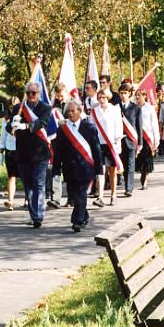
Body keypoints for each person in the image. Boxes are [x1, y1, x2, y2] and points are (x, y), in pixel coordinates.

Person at [53, 100, 102, 232]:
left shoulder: (89, 128)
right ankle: (84, 216)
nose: (70, 114)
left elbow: (96, 150)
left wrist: (99, 170)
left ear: (79, 112)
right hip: (69, 169)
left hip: (85, 168)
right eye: (68, 111)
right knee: (74, 196)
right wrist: (56, 170)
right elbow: (58, 152)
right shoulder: (62, 130)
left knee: (81, 193)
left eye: (73, 111)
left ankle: (77, 221)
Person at [8, 81, 52, 228]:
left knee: (38, 184)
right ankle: (34, 214)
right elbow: (9, 127)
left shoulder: (45, 108)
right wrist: (13, 124)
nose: (31, 95)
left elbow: (42, 122)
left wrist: (26, 126)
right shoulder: (18, 108)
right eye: (28, 93)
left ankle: (38, 216)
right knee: (28, 185)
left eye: (34, 93)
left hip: (40, 153)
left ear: (39, 94)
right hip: (23, 152)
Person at [90, 89, 123, 206]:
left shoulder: (114, 110)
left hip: (112, 144)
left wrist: (116, 141)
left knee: (112, 171)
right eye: (99, 98)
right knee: (101, 171)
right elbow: (91, 127)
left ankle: (113, 195)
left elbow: (119, 126)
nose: (102, 100)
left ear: (108, 97)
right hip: (99, 143)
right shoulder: (94, 111)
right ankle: (100, 196)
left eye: (104, 97)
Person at [118, 83, 142, 197]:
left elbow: (139, 126)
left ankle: (129, 188)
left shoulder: (136, 108)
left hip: (131, 140)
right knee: (123, 165)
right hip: (119, 141)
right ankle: (126, 183)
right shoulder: (116, 108)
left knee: (131, 165)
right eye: (121, 93)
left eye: (125, 93)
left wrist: (140, 143)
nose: (123, 95)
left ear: (130, 94)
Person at [46, 83, 67, 209]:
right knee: (55, 169)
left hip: (69, 141)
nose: (60, 96)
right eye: (58, 94)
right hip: (55, 141)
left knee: (69, 170)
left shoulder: (72, 104)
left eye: (62, 93)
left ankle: (72, 197)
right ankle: (56, 198)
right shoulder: (53, 106)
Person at [135, 90, 160, 189]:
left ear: (145, 96)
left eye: (139, 95)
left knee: (147, 158)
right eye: (136, 95)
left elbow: (154, 124)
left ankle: (145, 178)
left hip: (147, 136)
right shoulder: (134, 108)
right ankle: (142, 174)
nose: (137, 97)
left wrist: (156, 138)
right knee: (139, 159)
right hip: (137, 136)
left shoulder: (150, 108)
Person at [0, 96, 19, 210]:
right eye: (11, 107)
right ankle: (10, 200)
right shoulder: (6, 120)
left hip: (21, 149)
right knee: (11, 176)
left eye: (15, 106)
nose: (12, 109)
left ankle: (27, 200)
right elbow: (3, 135)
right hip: (10, 149)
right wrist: (1, 152)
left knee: (25, 176)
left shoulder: (23, 118)